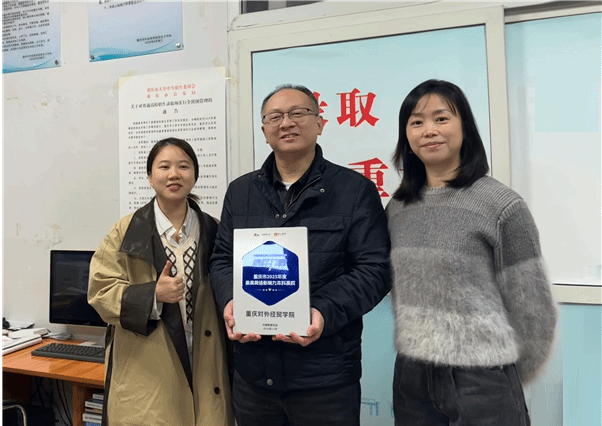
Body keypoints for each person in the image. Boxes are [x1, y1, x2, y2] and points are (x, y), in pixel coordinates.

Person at [209, 84, 391, 426]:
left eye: (298, 113)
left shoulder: (354, 190)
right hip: (252, 376)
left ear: (319, 124)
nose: (286, 123)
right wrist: (231, 301)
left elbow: (375, 269)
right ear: (264, 130)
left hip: (325, 378)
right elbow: (222, 258)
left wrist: (321, 310)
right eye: (275, 116)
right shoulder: (241, 191)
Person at [387, 79, 557, 426]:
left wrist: (503, 376)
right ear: (406, 136)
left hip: (482, 378)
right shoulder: (398, 207)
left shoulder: (501, 205)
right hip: (412, 376)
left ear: (465, 126)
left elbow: (533, 307)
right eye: (417, 122)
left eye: (441, 118)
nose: (429, 130)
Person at [88, 137, 234, 426]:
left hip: (207, 360)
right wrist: (151, 295)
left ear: (195, 175)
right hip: (149, 366)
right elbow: (100, 292)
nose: (174, 174)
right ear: (150, 176)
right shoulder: (126, 231)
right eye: (164, 167)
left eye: (183, 166)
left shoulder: (214, 230)